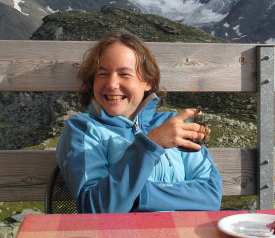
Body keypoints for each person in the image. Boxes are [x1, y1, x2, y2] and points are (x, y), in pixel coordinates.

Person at [56, 30, 223, 213]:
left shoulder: (173, 124)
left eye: (124, 74)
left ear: (148, 82)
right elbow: (95, 208)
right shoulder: (83, 129)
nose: (112, 84)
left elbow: (210, 196)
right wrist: (149, 145)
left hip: (182, 236)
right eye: (102, 74)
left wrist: (135, 197)